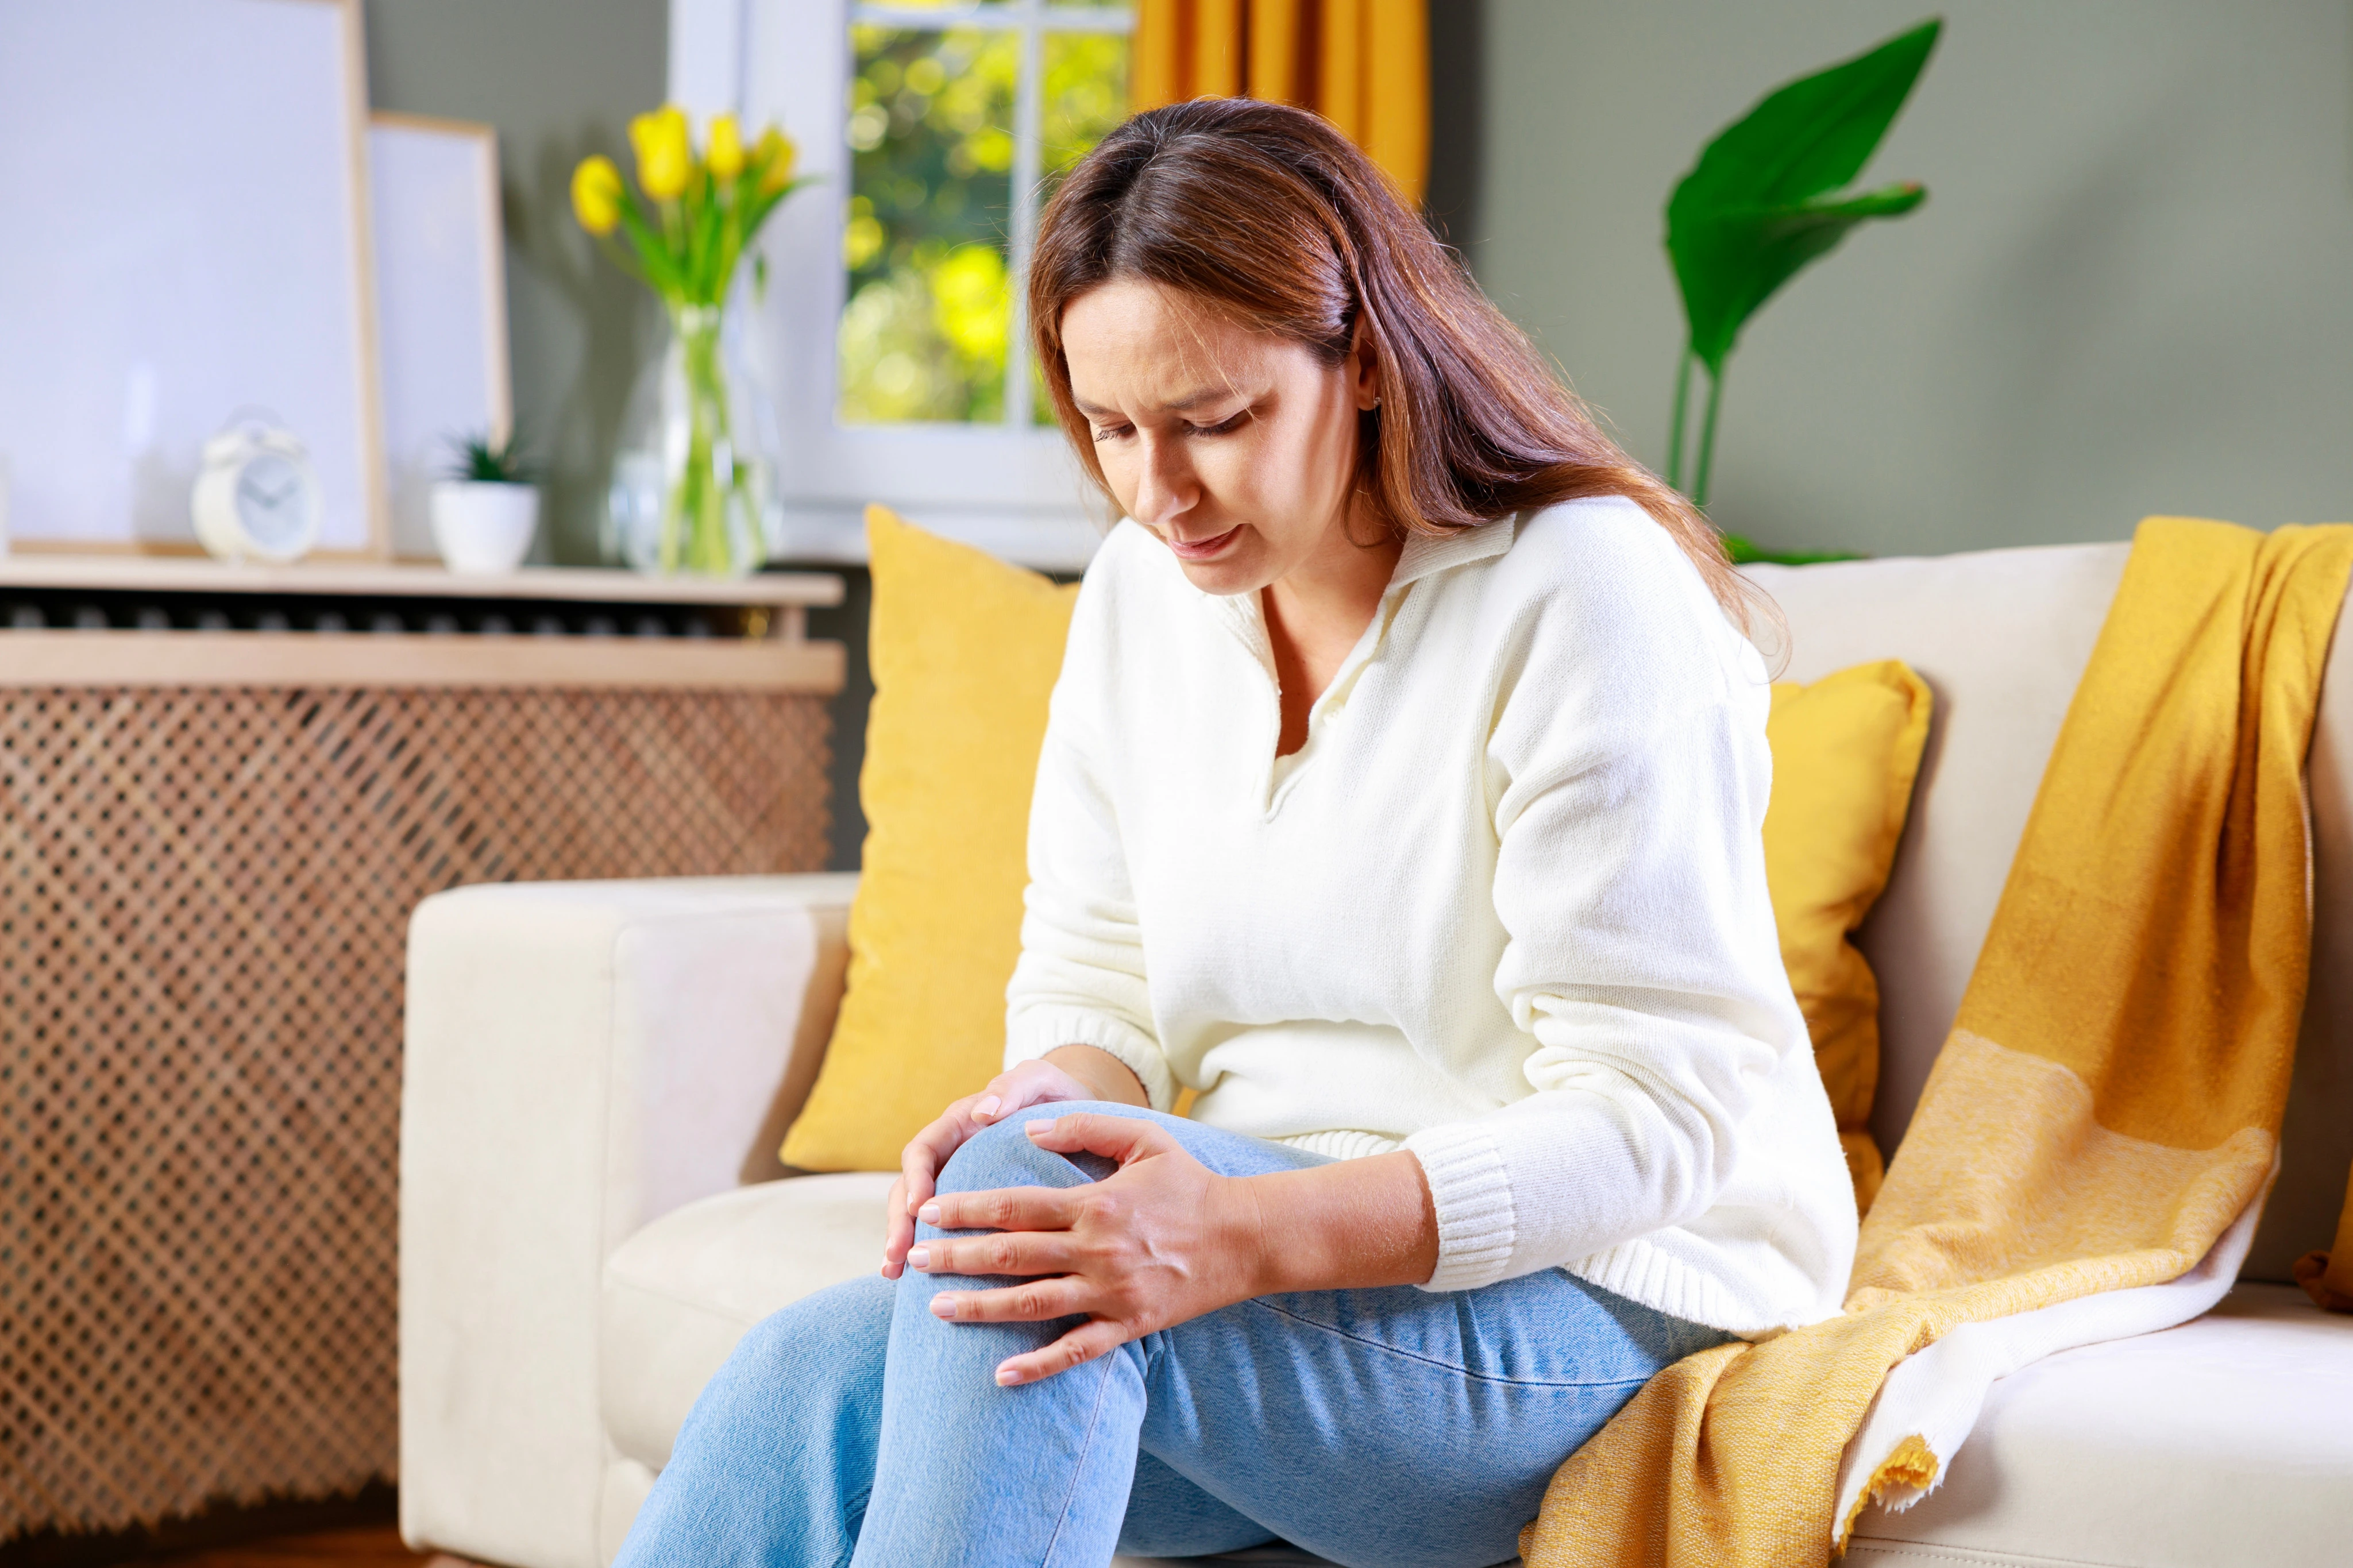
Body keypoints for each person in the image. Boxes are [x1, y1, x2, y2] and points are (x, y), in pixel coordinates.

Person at [614, 98, 1856, 1568]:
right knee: (800, 1377)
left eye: (1215, 422)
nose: (1159, 494)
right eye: (1112, 429)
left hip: (1597, 1295)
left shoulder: (1584, 592)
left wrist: (1230, 1237)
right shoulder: (1142, 595)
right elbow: (1096, 984)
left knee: (1028, 1216)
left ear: (1372, 366)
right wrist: (1038, 1104)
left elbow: (1657, 1119)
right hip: (1261, 1256)